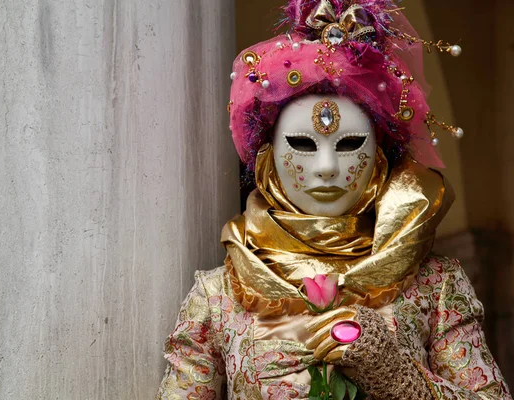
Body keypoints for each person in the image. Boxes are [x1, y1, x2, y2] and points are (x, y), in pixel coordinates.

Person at [157, 1, 511, 398]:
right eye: (304, 144)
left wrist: (398, 376)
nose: (326, 167)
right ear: (267, 161)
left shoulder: (435, 284)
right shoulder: (218, 296)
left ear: (378, 161)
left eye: (348, 145)